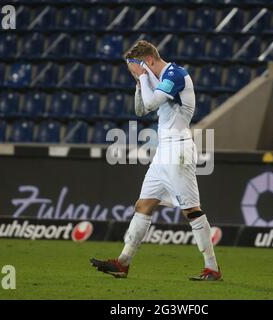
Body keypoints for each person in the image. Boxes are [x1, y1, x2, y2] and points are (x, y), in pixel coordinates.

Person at [90, 40, 221, 281]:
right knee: (144, 204)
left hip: (179, 151)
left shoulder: (176, 74)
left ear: (148, 61)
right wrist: (140, 82)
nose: (134, 73)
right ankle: (123, 263)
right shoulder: (158, 80)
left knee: (191, 210)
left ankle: (212, 268)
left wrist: (143, 77)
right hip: (163, 153)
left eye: (135, 69)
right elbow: (140, 110)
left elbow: (150, 104)